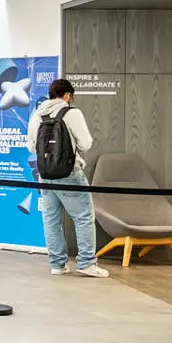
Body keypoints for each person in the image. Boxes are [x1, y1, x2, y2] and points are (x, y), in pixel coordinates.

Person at [33, 78, 108, 278]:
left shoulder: (37, 114)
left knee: (50, 220)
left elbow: (31, 147)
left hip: (45, 174)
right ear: (67, 95)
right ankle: (86, 263)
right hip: (69, 173)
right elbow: (86, 143)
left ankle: (57, 265)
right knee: (83, 217)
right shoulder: (71, 112)